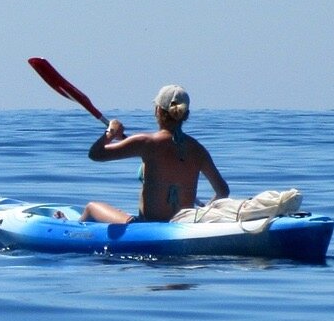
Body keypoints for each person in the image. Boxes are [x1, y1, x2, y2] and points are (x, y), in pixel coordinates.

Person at [82, 84, 228, 223]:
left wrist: (111, 132)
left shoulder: (146, 143)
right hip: (184, 223)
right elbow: (223, 191)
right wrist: (202, 213)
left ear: (157, 110)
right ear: (186, 114)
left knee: (91, 207)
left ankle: (65, 225)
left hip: (145, 226)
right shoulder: (198, 149)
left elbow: (95, 153)